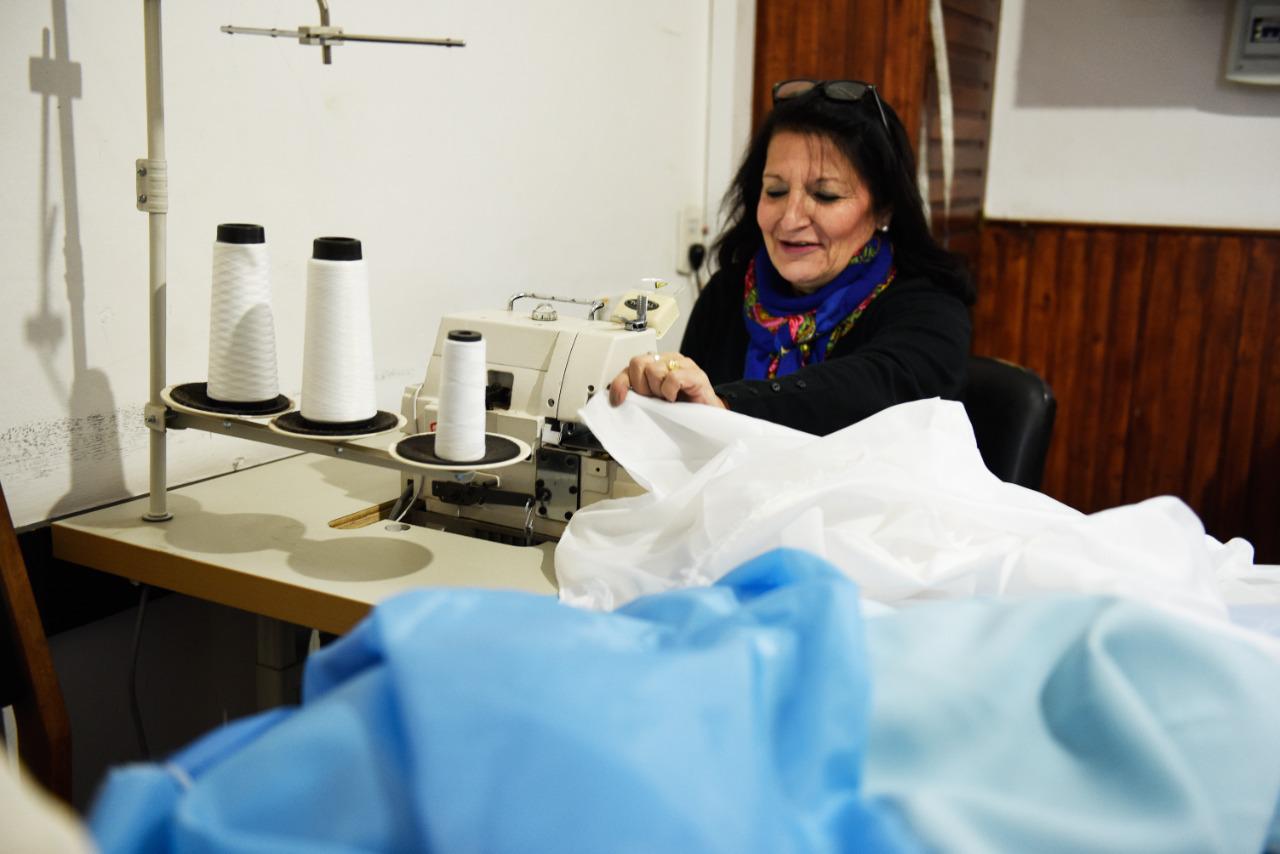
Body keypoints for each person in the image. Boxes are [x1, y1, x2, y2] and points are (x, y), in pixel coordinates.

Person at [609, 79, 973, 435]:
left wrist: (726, 406)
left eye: (826, 195)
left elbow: (872, 390)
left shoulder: (931, 310)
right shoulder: (727, 295)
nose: (790, 218)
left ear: (884, 210)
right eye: (776, 191)